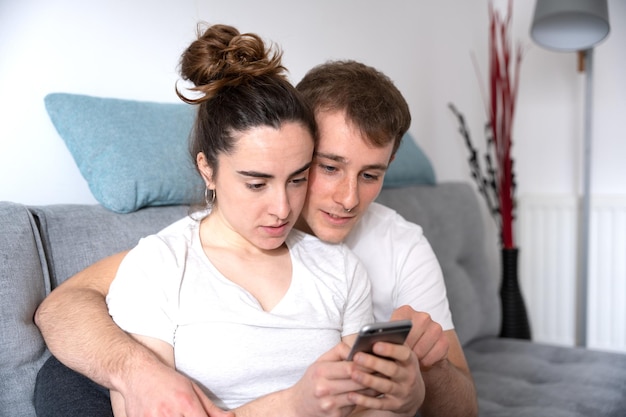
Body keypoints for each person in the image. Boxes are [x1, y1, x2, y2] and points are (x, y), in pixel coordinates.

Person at [34, 29, 478, 417]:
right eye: (328, 168)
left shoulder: (368, 258)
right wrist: (137, 373)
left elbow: (421, 407)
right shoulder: (166, 259)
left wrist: (415, 385)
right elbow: (64, 305)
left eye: (370, 174)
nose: (347, 198)